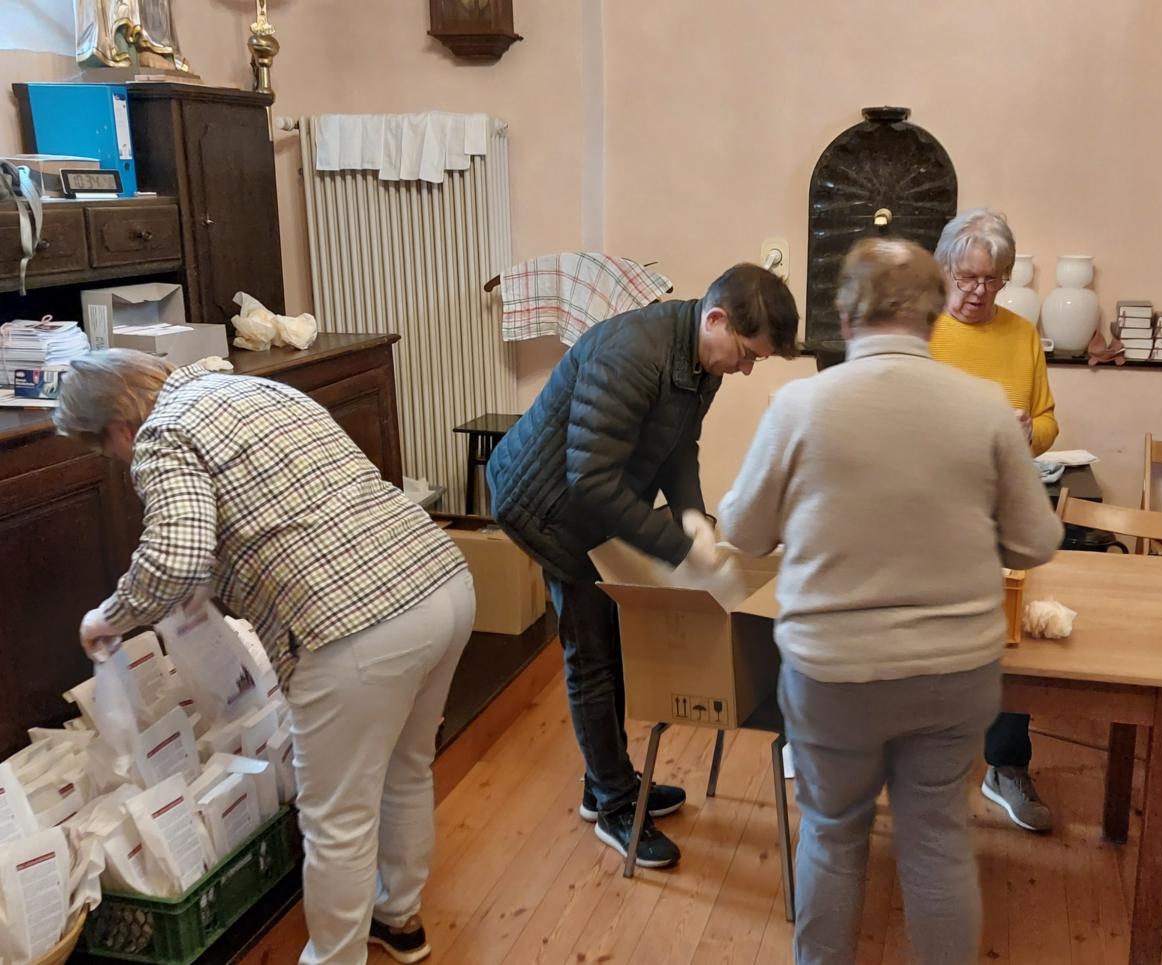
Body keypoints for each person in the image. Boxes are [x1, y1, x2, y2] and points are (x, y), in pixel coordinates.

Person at [58, 350, 473, 965]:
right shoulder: (257, 390)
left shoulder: (161, 434)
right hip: (440, 582)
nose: (117, 459)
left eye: (103, 450)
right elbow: (275, 512)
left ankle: (335, 958)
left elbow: (175, 556)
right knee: (406, 769)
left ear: (118, 428)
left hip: (354, 628)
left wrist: (108, 617)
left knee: (337, 821)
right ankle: (398, 918)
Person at [719, 238, 1061, 964]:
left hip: (831, 672)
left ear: (846, 317)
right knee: (936, 838)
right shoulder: (987, 410)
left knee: (833, 833)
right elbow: (1036, 542)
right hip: (953, 673)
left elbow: (742, 532)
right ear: (934, 318)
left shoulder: (799, 405)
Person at [486, 264, 799, 869]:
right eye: (747, 353)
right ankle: (613, 803)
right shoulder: (630, 355)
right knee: (593, 651)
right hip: (546, 506)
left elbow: (679, 448)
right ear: (716, 319)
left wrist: (694, 519)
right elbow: (591, 482)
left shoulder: (699, 361)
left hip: (590, 500)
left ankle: (606, 780)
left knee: (615, 640)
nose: (746, 368)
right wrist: (680, 549)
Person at [929, 208, 1060, 833]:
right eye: (967, 278)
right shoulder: (916, 331)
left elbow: (1049, 420)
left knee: (1006, 639)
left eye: (993, 279)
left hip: (1000, 506)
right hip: (928, 509)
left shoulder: (1022, 335)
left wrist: (1028, 431)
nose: (979, 291)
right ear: (944, 270)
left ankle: (1006, 765)